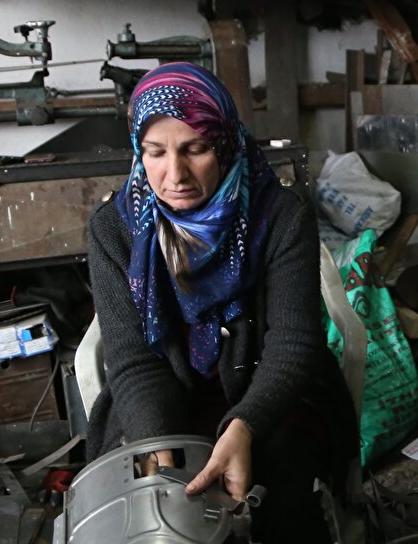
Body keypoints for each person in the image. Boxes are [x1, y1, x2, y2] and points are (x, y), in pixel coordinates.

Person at [84, 62, 356, 541]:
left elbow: (293, 345)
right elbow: (132, 359)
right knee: (148, 500)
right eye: (156, 153)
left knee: (281, 487)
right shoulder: (114, 228)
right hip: (164, 391)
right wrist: (158, 443)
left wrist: (245, 427)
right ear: (137, 151)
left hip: (268, 386)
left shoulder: (280, 217)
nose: (175, 174)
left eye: (196, 149)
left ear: (225, 143)